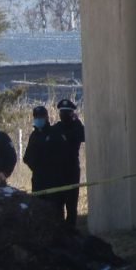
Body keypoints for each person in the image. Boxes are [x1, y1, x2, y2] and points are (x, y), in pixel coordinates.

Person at [47, 98, 87, 229]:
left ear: (72, 114)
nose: (63, 115)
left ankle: (71, 230)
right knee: (57, 205)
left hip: (71, 170)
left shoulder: (76, 128)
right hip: (57, 172)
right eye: (62, 112)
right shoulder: (56, 129)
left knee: (71, 205)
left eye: (66, 112)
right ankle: (59, 231)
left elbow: (83, 135)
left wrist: (77, 121)